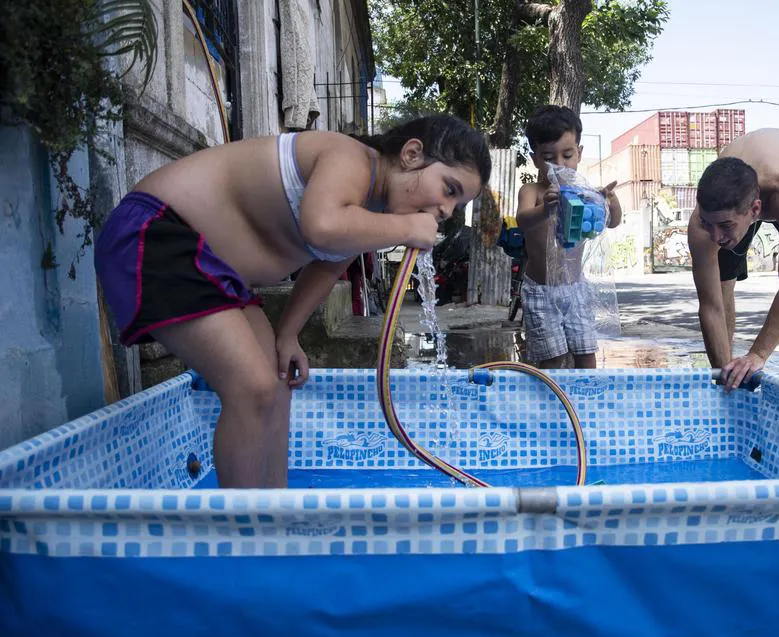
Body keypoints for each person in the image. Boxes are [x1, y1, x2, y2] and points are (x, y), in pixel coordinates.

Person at [94, 114, 490, 488]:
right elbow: (322, 227)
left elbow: (327, 267)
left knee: (277, 381)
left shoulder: (371, 209)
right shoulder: (350, 157)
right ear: (412, 154)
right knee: (252, 387)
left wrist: (288, 334)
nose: (446, 211)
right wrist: (405, 226)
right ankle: (243, 529)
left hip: (213, 270)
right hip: (156, 232)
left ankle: (276, 510)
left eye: (457, 206)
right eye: (449, 189)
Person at [687, 128, 779, 391]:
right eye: (709, 224)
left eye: (725, 226)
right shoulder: (700, 224)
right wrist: (725, 376)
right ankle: (727, 374)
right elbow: (709, 305)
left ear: (755, 209)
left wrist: (757, 355)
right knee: (722, 281)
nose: (716, 237)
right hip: (739, 167)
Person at [514, 105, 621, 369]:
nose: (560, 164)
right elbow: (523, 220)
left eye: (568, 155)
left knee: (585, 353)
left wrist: (610, 201)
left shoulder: (585, 193)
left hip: (576, 288)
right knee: (552, 357)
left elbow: (613, 222)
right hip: (541, 290)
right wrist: (545, 209)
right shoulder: (532, 191)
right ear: (535, 158)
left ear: (579, 153)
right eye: (549, 157)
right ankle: (552, 393)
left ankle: (585, 394)